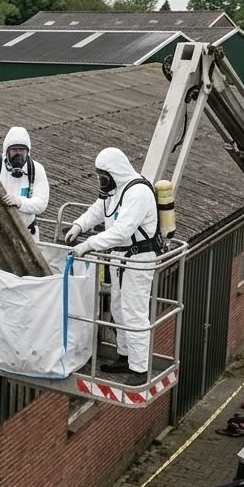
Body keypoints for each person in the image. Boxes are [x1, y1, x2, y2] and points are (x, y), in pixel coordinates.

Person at [64, 147, 161, 385]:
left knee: (134, 312)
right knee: (118, 309)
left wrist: (88, 244)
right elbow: (98, 210)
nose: (101, 181)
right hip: (119, 258)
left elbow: (122, 230)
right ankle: (125, 356)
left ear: (114, 172)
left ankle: (140, 369)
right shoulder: (114, 190)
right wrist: (78, 225)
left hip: (138, 259)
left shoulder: (137, 192)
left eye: (103, 176)